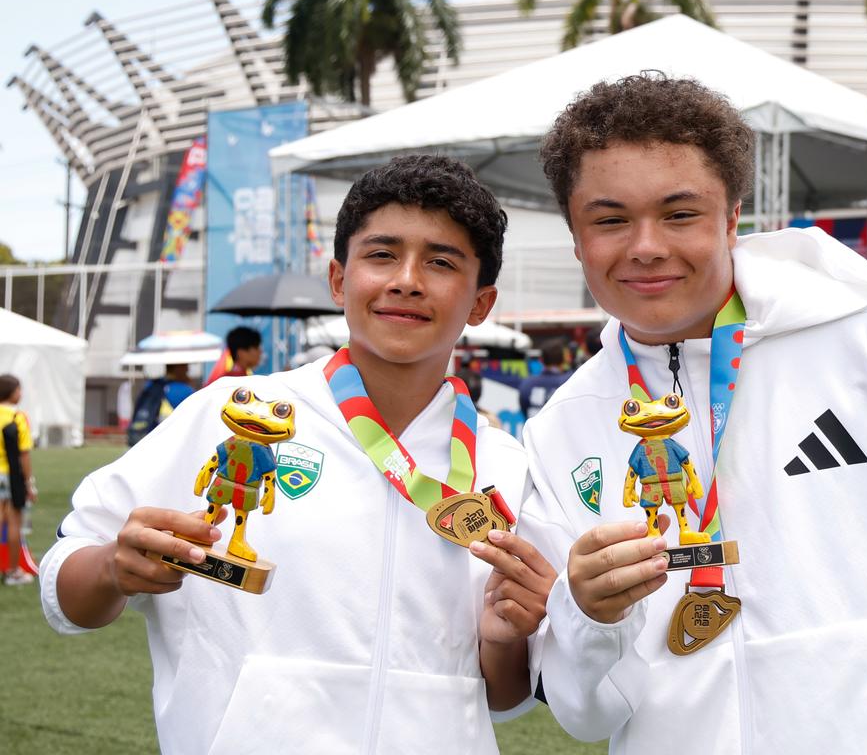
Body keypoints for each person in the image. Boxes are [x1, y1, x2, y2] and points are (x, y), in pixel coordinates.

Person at [518, 75, 867, 753]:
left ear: (732, 217)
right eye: (610, 220)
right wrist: (588, 616)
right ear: (577, 238)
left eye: (680, 213)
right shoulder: (562, 428)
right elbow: (580, 710)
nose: (647, 246)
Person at [41, 155, 555, 754]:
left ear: (480, 303)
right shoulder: (237, 413)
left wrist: (502, 640)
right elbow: (64, 582)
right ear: (339, 279)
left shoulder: (505, 467)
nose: (407, 280)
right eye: (382, 254)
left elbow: (502, 697)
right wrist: (110, 568)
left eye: (441, 262)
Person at [0, 374, 36, 586]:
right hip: (11, 476)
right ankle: (13, 571)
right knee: (14, 523)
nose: (21, 393)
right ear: (11, 392)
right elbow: (24, 454)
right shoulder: (18, 417)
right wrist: (29, 482)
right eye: (19, 389)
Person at [126, 363, 195, 446]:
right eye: (185, 366)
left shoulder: (151, 385)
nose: (188, 369)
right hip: (170, 442)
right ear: (179, 367)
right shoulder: (185, 390)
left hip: (146, 438)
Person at [517, 336, 573, 419]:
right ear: (563, 359)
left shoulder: (527, 384)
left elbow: (524, 409)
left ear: (541, 360)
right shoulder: (569, 381)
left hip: (533, 430)